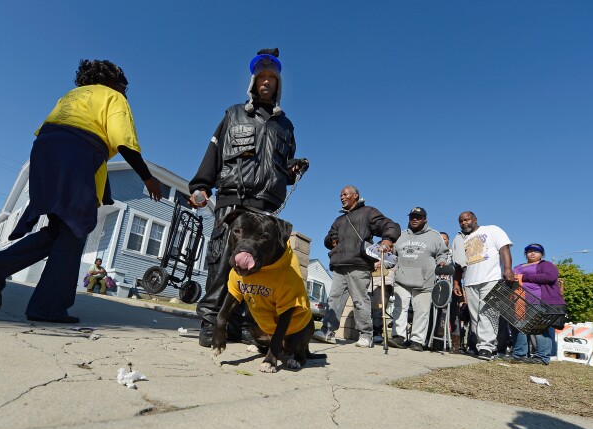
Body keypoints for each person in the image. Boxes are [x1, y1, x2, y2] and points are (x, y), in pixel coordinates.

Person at [0, 59, 162, 323]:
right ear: (111, 81)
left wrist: (103, 194)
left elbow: (66, 135)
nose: (125, 90)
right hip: (78, 151)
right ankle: (47, 307)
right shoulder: (112, 97)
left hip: (45, 151)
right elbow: (122, 141)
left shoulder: (72, 96)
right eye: (123, 84)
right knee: (75, 230)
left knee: (61, 230)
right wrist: (147, 178)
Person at [188, 48, 308, 347]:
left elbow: (283, 169)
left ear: (278, 86)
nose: (266, 81)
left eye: (272, 78)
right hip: (234, 199)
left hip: (267, 206)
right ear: (253, 83)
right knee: (223, 262)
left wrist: (293, 170)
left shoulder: (286, 126)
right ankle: (211, 321)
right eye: (262, 77)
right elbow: (214, 150)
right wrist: (201, 184)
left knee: (257, 268)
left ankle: (241, 324)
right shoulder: (234, 113)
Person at [312, 186, 400, 348]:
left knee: (360, 300)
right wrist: (331, 239)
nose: (342, 197)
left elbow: (388, 224)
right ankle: (327, 331)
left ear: (356, 196)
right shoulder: (339, 220)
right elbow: (329, 237)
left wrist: (388, 239)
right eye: (340, 195)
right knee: (334, 299)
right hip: (340, 264)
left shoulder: (368, 212)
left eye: (345, 194)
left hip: (359, 263)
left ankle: (366, 335)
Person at [451, 211, 513, 360]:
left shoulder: (492, 230)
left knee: (488, 313)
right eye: (461, 221)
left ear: (475, 219)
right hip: (470, 281)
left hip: (490, 278)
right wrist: (456, 281)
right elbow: (458, 264)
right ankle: (481, 346)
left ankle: (487, 346)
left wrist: (508, 269)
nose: (464, 223)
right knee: (475, 316)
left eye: (467, 219)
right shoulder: (460, 239)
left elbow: (504, 249)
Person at [388, 207, 448, 351]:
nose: (414, 219)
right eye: (412, 217)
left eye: (418, 217)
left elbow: (442, 253)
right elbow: (393, 256)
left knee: (421, 311)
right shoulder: (400, 236)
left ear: (424, 219)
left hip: (425, 280)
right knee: (399, 308)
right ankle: (399, 337)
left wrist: (442, 261)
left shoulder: (434, 236)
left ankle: (417, 341)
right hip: (402, 279)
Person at [509, 243, 566, 365]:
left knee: (539, 328)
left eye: (536, 251)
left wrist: (523, 277)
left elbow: (550, 277)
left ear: (542, 254)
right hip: (519, 300)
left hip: (538, 300)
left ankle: (542, 357)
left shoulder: (546, 265)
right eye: (529, 251)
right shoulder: (519, 266)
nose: (532, 253)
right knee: (520, 327)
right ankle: (519, 354)